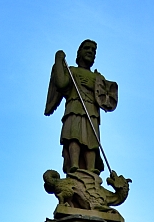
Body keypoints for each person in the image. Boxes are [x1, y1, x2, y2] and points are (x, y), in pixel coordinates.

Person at [45, 40, 118, 175]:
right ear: (79, 52)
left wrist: (94, 87)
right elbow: (61, 85)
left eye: (93, 50)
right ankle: (74, 164)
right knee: (74, 135)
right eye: (87, 48)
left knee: (91, 140)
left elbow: (106, 97)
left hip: (92, 111)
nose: (90, 51)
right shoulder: (72, 71)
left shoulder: (97, 77)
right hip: (74, 107)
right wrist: (59, 61)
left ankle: (91, 167)